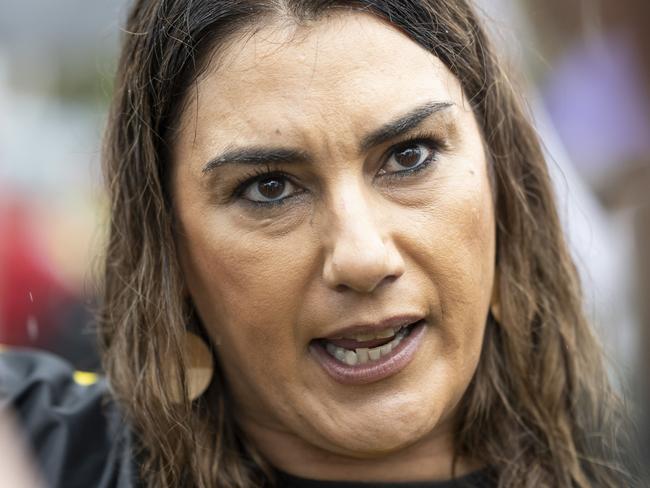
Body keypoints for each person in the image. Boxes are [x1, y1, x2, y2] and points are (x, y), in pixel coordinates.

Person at [0, 1, 637, 487]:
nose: (362, 257)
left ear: (502, 182)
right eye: (270, 188)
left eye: (409, 156)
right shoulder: (50, 454)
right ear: (168, 247)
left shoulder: (623, 457)